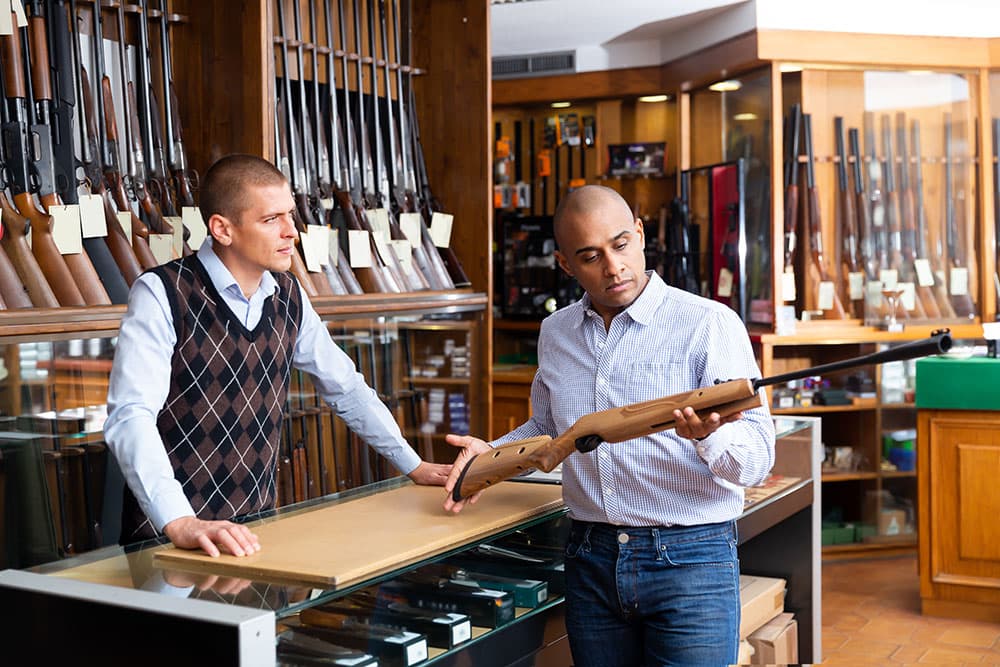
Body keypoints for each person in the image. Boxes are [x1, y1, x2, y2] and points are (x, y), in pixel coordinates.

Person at [444, 185, 775, 666]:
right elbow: (547, 428)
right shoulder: (554, 332)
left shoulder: (709, 324)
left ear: (640, 235)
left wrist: (710, 435)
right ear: (565, 264)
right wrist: (490, 455)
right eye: (590, 256)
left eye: (620, 245)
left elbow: (757, 462)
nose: (613, 266)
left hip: (691, 559)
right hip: (589, 555)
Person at [106, 154, 450, 558]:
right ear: (222, 229)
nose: (292, 232)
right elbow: (130, 413)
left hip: (257, 534)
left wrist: (413, 465)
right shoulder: (161, 292)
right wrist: (179, 520)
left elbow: (346, 388)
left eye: (290, 215)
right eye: (272, 220)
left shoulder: (289, 295)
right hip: (168, 540)